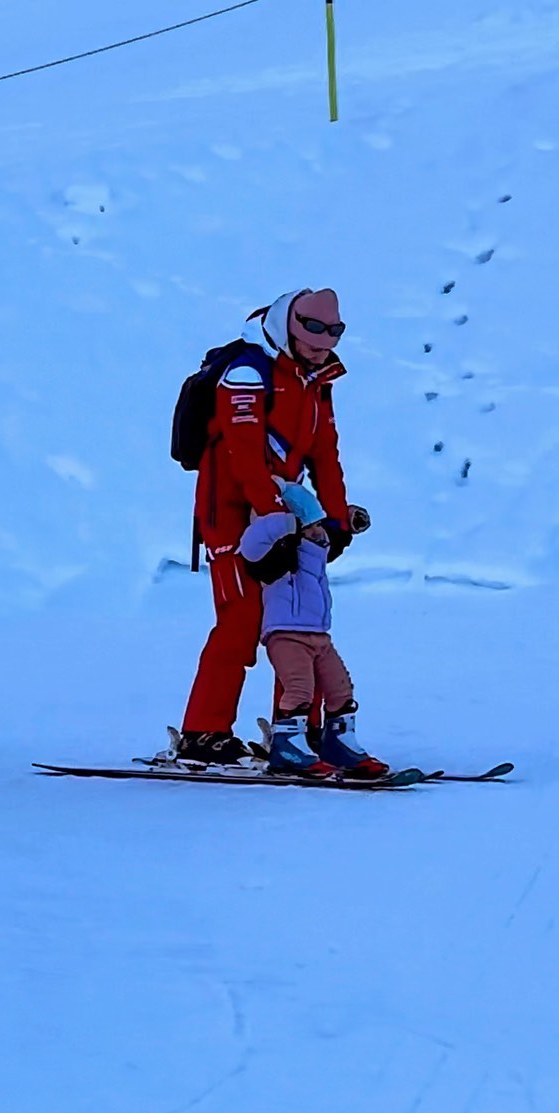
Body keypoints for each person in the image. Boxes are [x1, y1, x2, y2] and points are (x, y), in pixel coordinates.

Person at [178, 287, 369, 766]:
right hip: (232, 512)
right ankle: (204, 733)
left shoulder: (316, 378)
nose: (324, 341)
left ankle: (300, 731)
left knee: (298, 619)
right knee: (241, 620)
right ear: (290, 322)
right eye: (314, 329)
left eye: (335, 331)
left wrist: (336, 519)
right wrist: (273, 519)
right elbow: (241, 455)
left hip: (285, 512)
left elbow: (325, 451)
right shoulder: (247, 370)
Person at [239, 481, 388, 779]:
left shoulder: (315, 549)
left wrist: (347, 520)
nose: (319, 532)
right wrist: (287, 521)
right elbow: (251, 543)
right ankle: (288, 749)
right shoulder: (276, 554)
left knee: (340, 688)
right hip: (285, 634)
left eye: (319, 525)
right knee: (299, 689)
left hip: (319, 635)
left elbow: (333, 534)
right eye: (312, 526)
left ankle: (339, 745)